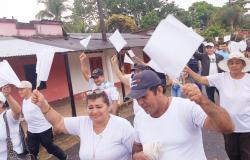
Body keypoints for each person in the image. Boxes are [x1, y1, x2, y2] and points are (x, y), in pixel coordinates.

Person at [127, 70, 234, 160]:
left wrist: (203, 101)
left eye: (144, 96)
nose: (140, 102)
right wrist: (136, 156)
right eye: (137, 98)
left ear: (159, 90)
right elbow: (137, 147)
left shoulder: (186, 107)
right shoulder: (139, 117)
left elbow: (227, 127)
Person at [31, 89, 135, 160]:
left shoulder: (123, 126)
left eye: (99, 107)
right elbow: (59, 123)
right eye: (90, 107)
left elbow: (137, 153)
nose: (94, 111)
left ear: (108, 107)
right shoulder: (83, 123)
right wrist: (43, 105)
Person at [185, 52, 250, 160]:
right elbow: (201, 79)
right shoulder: (221, 78)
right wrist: (189, 70)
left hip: (247, 128)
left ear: (243, 65)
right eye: (231, 63)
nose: (234, 65)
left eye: (237, 63)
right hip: (228, 127)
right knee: (232, 156)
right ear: (228, 65)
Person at [17, 81, 67, 160]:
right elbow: (28, 116)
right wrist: (27, 130)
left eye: (21, 89)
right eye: (18, 89)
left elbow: (48, 111)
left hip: (44, 130)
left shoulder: (37, 99)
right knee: (32, 151)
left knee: (50, 148)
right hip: (31, 131)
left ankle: (64, 156)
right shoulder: (24, 101)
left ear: (29, 89)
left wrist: (55, 125)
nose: (19, 91)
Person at [0, 85, 22, 160]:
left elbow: (17, 111)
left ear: (1, 104)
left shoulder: (7, 114)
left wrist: (7, 95)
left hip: (14, 156)